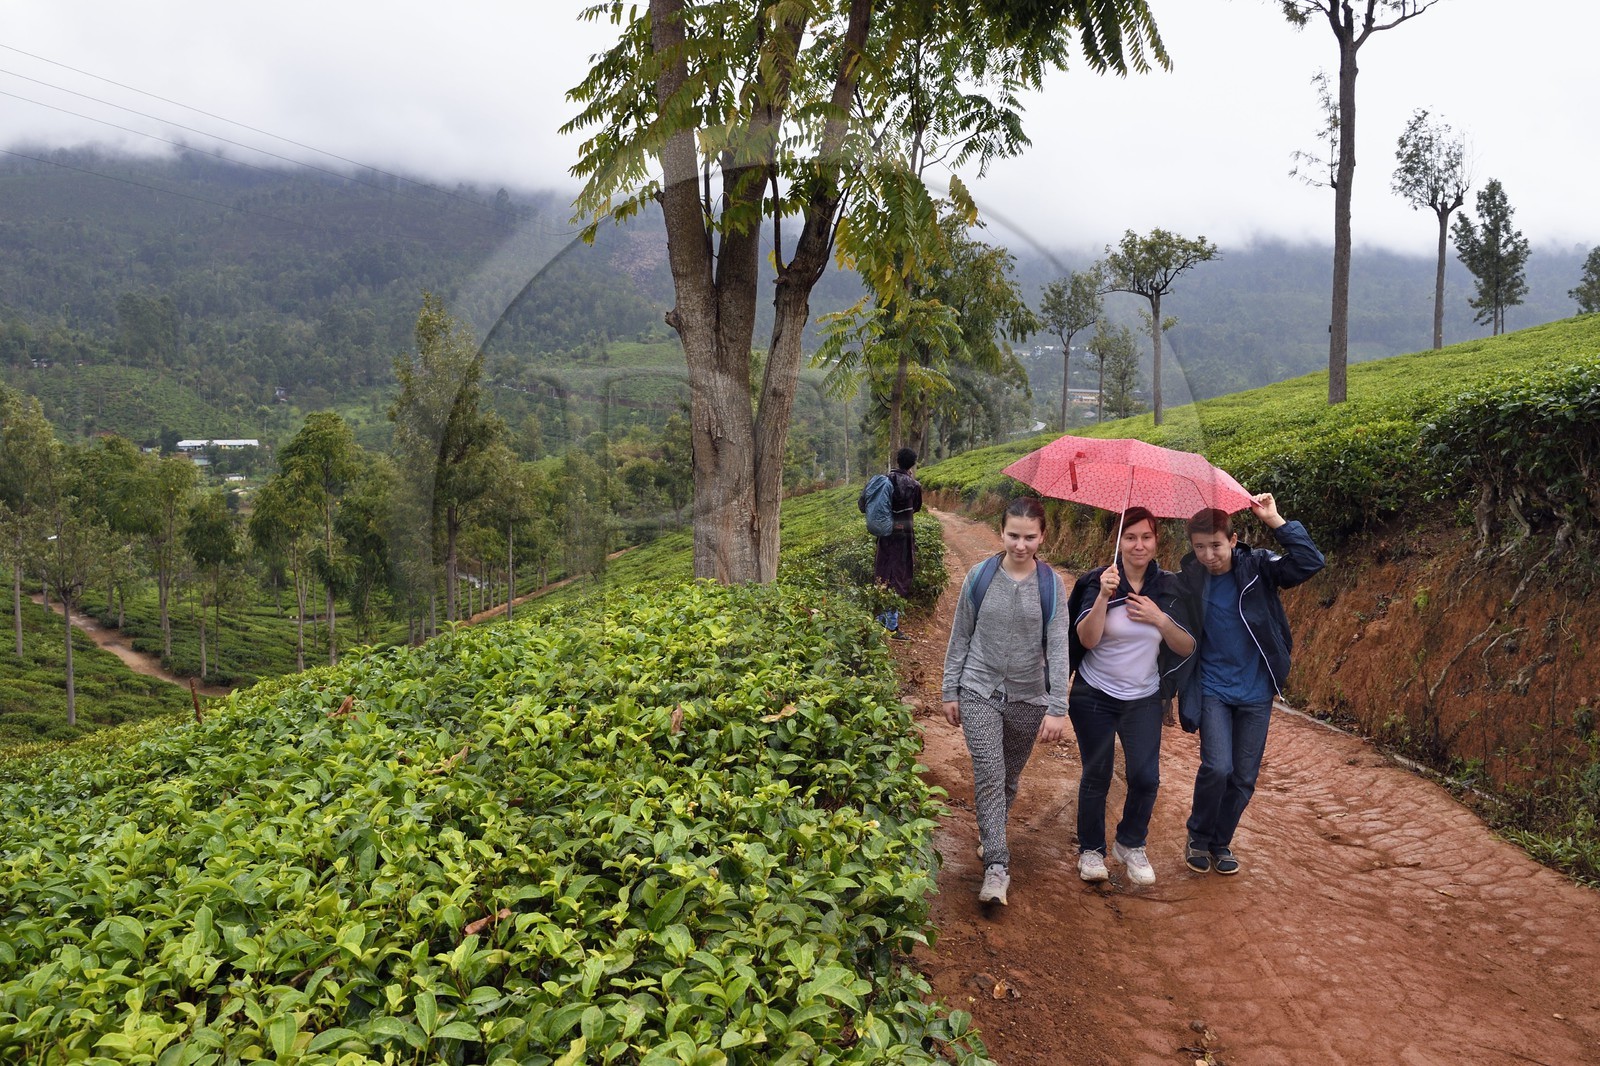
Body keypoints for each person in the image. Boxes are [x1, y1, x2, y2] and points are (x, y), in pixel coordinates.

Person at [1179, 493, 1325, 876]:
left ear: (1233, 539)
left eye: (1216, 545)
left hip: (1256, 690)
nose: (1208, 555)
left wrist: (1275, 520)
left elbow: (1310, 562)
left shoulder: (1258, 567)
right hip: (1213, 688)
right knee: (1218, 767)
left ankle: (1220, 842)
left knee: (1243, 777)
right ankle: (1198, 836)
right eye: (1199, 547)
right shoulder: (1190, 579)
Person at [1050, 507, 1194, 886]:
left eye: (1146, 537)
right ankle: (1091, 850)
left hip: (1143, 698)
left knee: (1145, 777)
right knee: (1097, 774)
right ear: (1119, 541)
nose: (1138, 545)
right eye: (1130, 537)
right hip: (1094, 694)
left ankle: (1130, 843)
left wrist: (1159, 618)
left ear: (1156, 541)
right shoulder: (1097, 581)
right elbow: (1086, 639)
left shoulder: (1169, 588)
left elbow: (1186, 646)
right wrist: (1103, 595)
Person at [942, 497, 1072, 907]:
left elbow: (1058, 648)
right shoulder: (979, 577)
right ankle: (997, 866)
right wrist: (950, 689)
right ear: (1001, 532)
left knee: (1009, 778)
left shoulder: (1052, 586)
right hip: (978, 688)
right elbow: (960, 636)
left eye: (1029, 537)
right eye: (1013, 535)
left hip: (1029, 698)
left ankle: (991, 831)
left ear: (1042, 536)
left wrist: (1058, 706)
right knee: (990, 774)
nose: (1020, 545)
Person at [861, 447, 923, 639]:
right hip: (903, 536)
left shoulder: (884, 481)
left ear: (897, 461)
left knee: (883, 573)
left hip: (886, 535)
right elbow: (917, 507)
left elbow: (864, 504)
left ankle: (880, 619)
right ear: (912, 464)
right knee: (899, 578)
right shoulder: (914, 486)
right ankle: (892, 626)